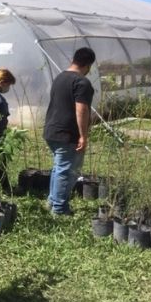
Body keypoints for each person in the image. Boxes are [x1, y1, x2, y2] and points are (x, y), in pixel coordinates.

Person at [44, 47, 96, 216]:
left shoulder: (60, 77)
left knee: (58, 168)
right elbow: (81, 109)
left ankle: (52, 202)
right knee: (65, 170)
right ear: (88, 65)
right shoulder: (82, 82)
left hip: (52, 130)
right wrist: (83, 135)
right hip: (67, 133)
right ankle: (59, 209)